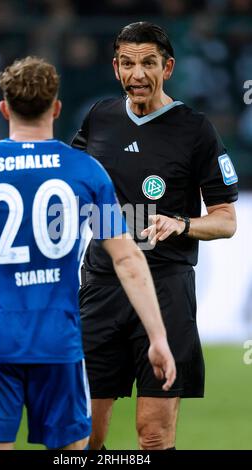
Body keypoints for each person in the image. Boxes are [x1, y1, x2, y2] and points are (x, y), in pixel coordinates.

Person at [0, 56, 175, 451]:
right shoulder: (85, 171)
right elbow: (127, 258)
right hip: (57, 342)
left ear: (4, 108)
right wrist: (157, 337)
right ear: (56, 108)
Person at [72, 21, 238, 450]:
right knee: (83, 438)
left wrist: (181, 224)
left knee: (153, 436)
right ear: (115, 68)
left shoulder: (195, 129)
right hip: (102, 287)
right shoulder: (99, 117)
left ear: (168, 67)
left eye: (148, 63)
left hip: (166, 290)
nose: (138, 74)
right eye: (128, 64)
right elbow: (68, 186)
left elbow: (225, 221)